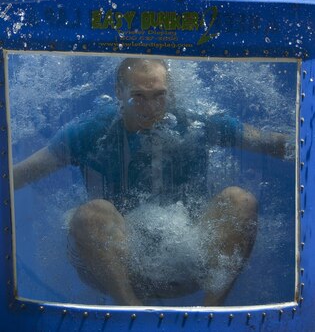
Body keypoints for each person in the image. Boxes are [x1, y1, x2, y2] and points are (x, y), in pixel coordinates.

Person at [14, 58, 288, 306]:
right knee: (92, 213)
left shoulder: (196, 121)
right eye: (138, 97)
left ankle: (210, 312)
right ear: (119, 91)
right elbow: (22, 174)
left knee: (240, 201)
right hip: (111, 270)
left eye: (159, 96)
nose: (150, 108)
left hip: (188, 267)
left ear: (172, 91)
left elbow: (271, 143)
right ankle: (131, 312)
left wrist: (300, 141)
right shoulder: (92, 130)